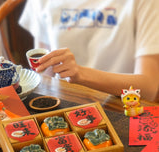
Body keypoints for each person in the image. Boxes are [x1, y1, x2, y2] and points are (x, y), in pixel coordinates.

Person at [19, 0, 159, 102]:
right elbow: (46, 76)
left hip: (122, 105)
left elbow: (148, 89)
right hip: (65, 102)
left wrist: (80, 74)